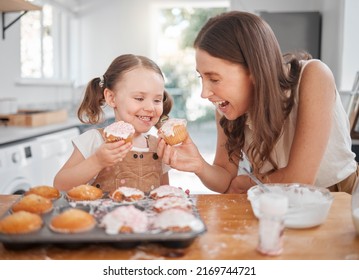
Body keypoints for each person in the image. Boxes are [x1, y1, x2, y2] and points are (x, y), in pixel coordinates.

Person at [157, 11, 358, 194]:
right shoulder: (227, 109)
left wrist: (248, 183)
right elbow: (226, 180)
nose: (204, 93)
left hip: (337, 198)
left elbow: (301, 178)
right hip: (275, 199)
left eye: (214, 79)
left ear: (253, 70)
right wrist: (198, 165)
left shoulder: (313, 76)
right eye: (202, 77)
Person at [54, 54, 173, 193]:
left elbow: (164, 192)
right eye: (139, 98)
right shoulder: (95, 140)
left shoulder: (159, 147)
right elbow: (60, 185)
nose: (150, 108)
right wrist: (97, 161)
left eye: (157, 100)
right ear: (111, 98)